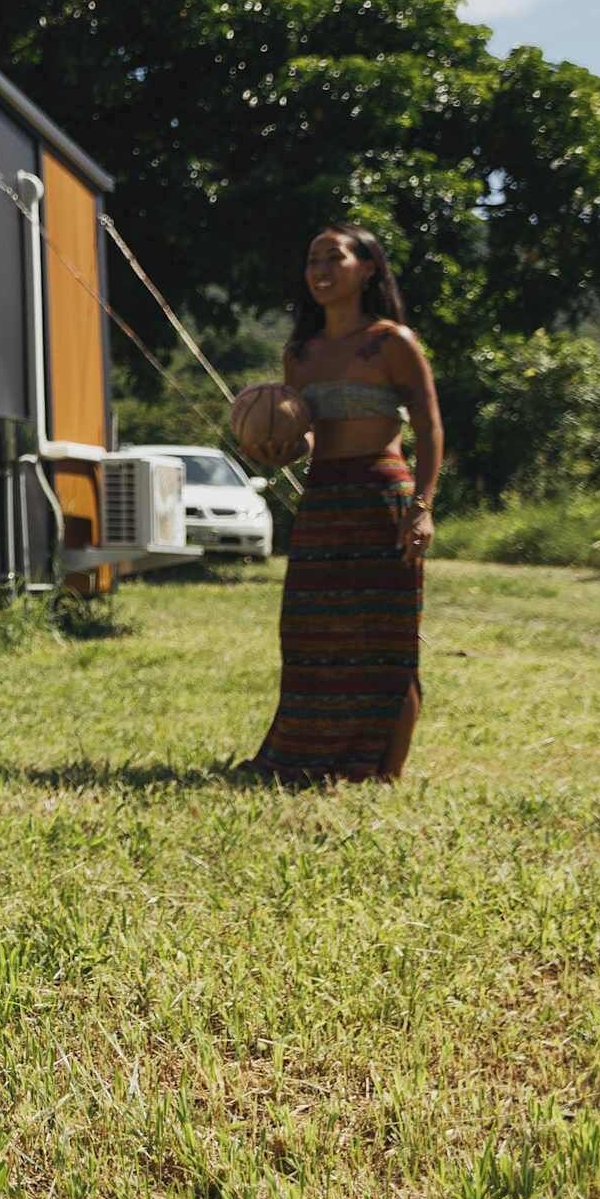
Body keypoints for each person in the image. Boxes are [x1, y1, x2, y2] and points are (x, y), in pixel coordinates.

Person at [242, 221, 444, 785]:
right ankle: (307, 757)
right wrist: (276, 443)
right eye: (313, 261)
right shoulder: (299, 354)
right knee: (311, 636)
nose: (321, 271)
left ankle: (384, 774)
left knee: (386, 637)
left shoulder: (392, 342)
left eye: (334, 258)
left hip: (383, 496)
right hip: (324, 499)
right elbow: (309, 437)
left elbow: (429, 427)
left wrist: (423, 505)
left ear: (369, 269)